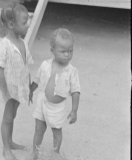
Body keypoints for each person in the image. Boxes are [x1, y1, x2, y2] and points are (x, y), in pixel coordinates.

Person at [27, 28, 81, 160]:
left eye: (70, 51)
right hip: (42, 102)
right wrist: (30, 90)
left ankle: (56, 152)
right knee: (39, 129)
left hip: (57, 108)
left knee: (57, 131)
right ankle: (35, 151)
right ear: (53, 51)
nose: (67, 55)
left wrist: (74, 110)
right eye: (63, 52)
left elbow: (75, 91)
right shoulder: (45, 65)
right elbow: (37, 80)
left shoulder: (71, 71)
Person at [0, 2, 33, 160]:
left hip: (19, 86)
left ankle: (10, 141)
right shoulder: (4, 45)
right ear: (11, 24)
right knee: (7, 117)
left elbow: (26, 65)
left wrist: (29, 88)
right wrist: (4, 90)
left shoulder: (23, 43)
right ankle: (6, 149)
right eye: (24, 22)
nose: (28, 25)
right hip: (8, 88)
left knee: (13, 114)